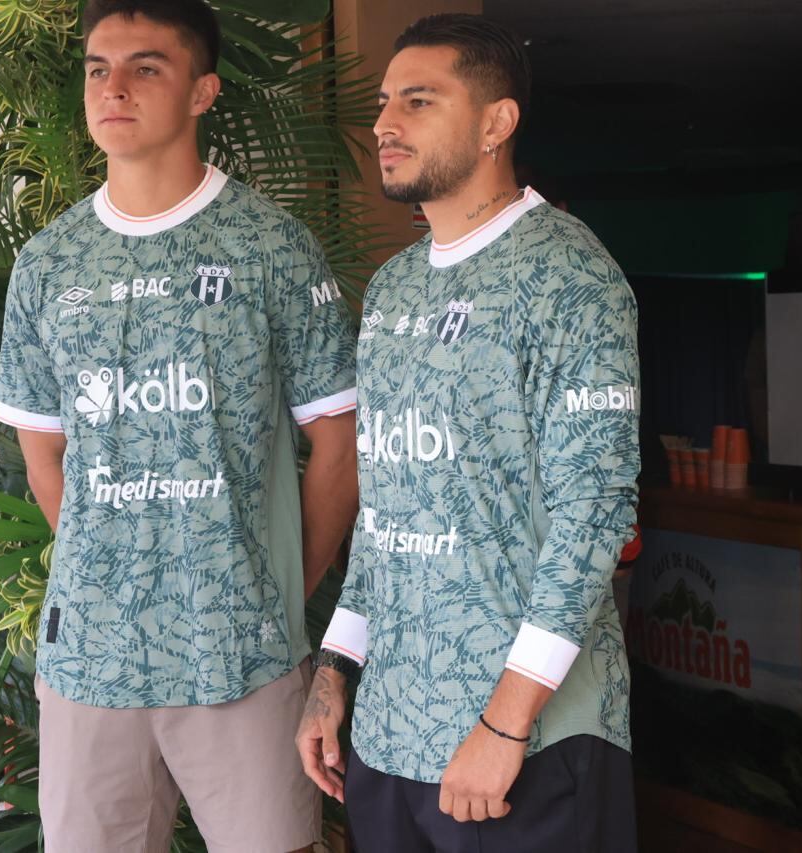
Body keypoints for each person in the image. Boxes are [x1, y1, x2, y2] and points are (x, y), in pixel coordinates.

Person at [0, 1, 359, 850]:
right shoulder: (48, 262)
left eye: (145, 67)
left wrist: (273, 589)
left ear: (202, 92)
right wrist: (108, 572)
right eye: (97, 68)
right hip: (89, 657)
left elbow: (340, 444)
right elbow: (43, 448)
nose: (112, 87)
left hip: (243, 653)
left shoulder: (271, 245)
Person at [296, 14, 641, 852]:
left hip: (527, 746)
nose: (385, 123)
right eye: (385, 103)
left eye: (419, 100)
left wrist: (505, 723)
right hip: (389, 740)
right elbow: (388, 507)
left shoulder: (570, 274)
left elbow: (593, 518)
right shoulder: (393, 290)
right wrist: (336, 671)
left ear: (496, 123)